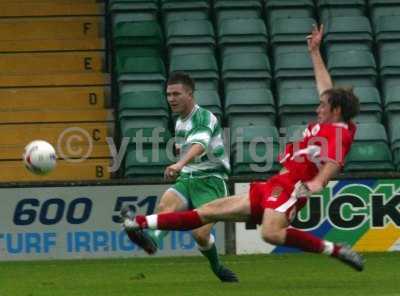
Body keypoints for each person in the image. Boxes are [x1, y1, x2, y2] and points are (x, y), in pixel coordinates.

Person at [122, 25, 364, 272]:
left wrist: (317, 183)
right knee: (206, 212)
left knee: (270, 233)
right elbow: (326, 89)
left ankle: (335, 250)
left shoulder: (338, 132)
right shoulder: (331, 119)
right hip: (275, 184)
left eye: (322, 105)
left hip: (292, 189)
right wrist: (314, 52)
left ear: (335, 111)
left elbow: (333, 162)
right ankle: (137, 223)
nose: (317, 108)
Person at [122, 71, 238, 282]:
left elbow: (199, 145)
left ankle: (217, 267)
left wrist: (179, 163)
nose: (171, 99)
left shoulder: (204, 117)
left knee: (200, 235)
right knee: (165, 206)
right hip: (188, 178)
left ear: (190, 95)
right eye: (168, 94)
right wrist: (182, 165)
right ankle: (152, 241)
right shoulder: (179, 121)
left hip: (211, 180)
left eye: (176, 94)